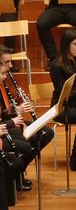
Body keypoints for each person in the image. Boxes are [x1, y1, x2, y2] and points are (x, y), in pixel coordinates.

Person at [0, 46, 54, 191]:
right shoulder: (2, 78)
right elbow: (3, 115)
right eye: (6, 62)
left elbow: (6, 108)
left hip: (10, 122)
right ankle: (16, 175)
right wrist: (16, 114)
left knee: (47, 133)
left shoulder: (4, 79)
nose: (11, 66)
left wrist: (18, 104)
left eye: (11, 61)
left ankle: (19, 171)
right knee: (28, 143)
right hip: (6, 126)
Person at [49, 28, 76, 172]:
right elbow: (63, 92)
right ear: (66, 44)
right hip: (61, 107)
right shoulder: (56, 65)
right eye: (75, 44)